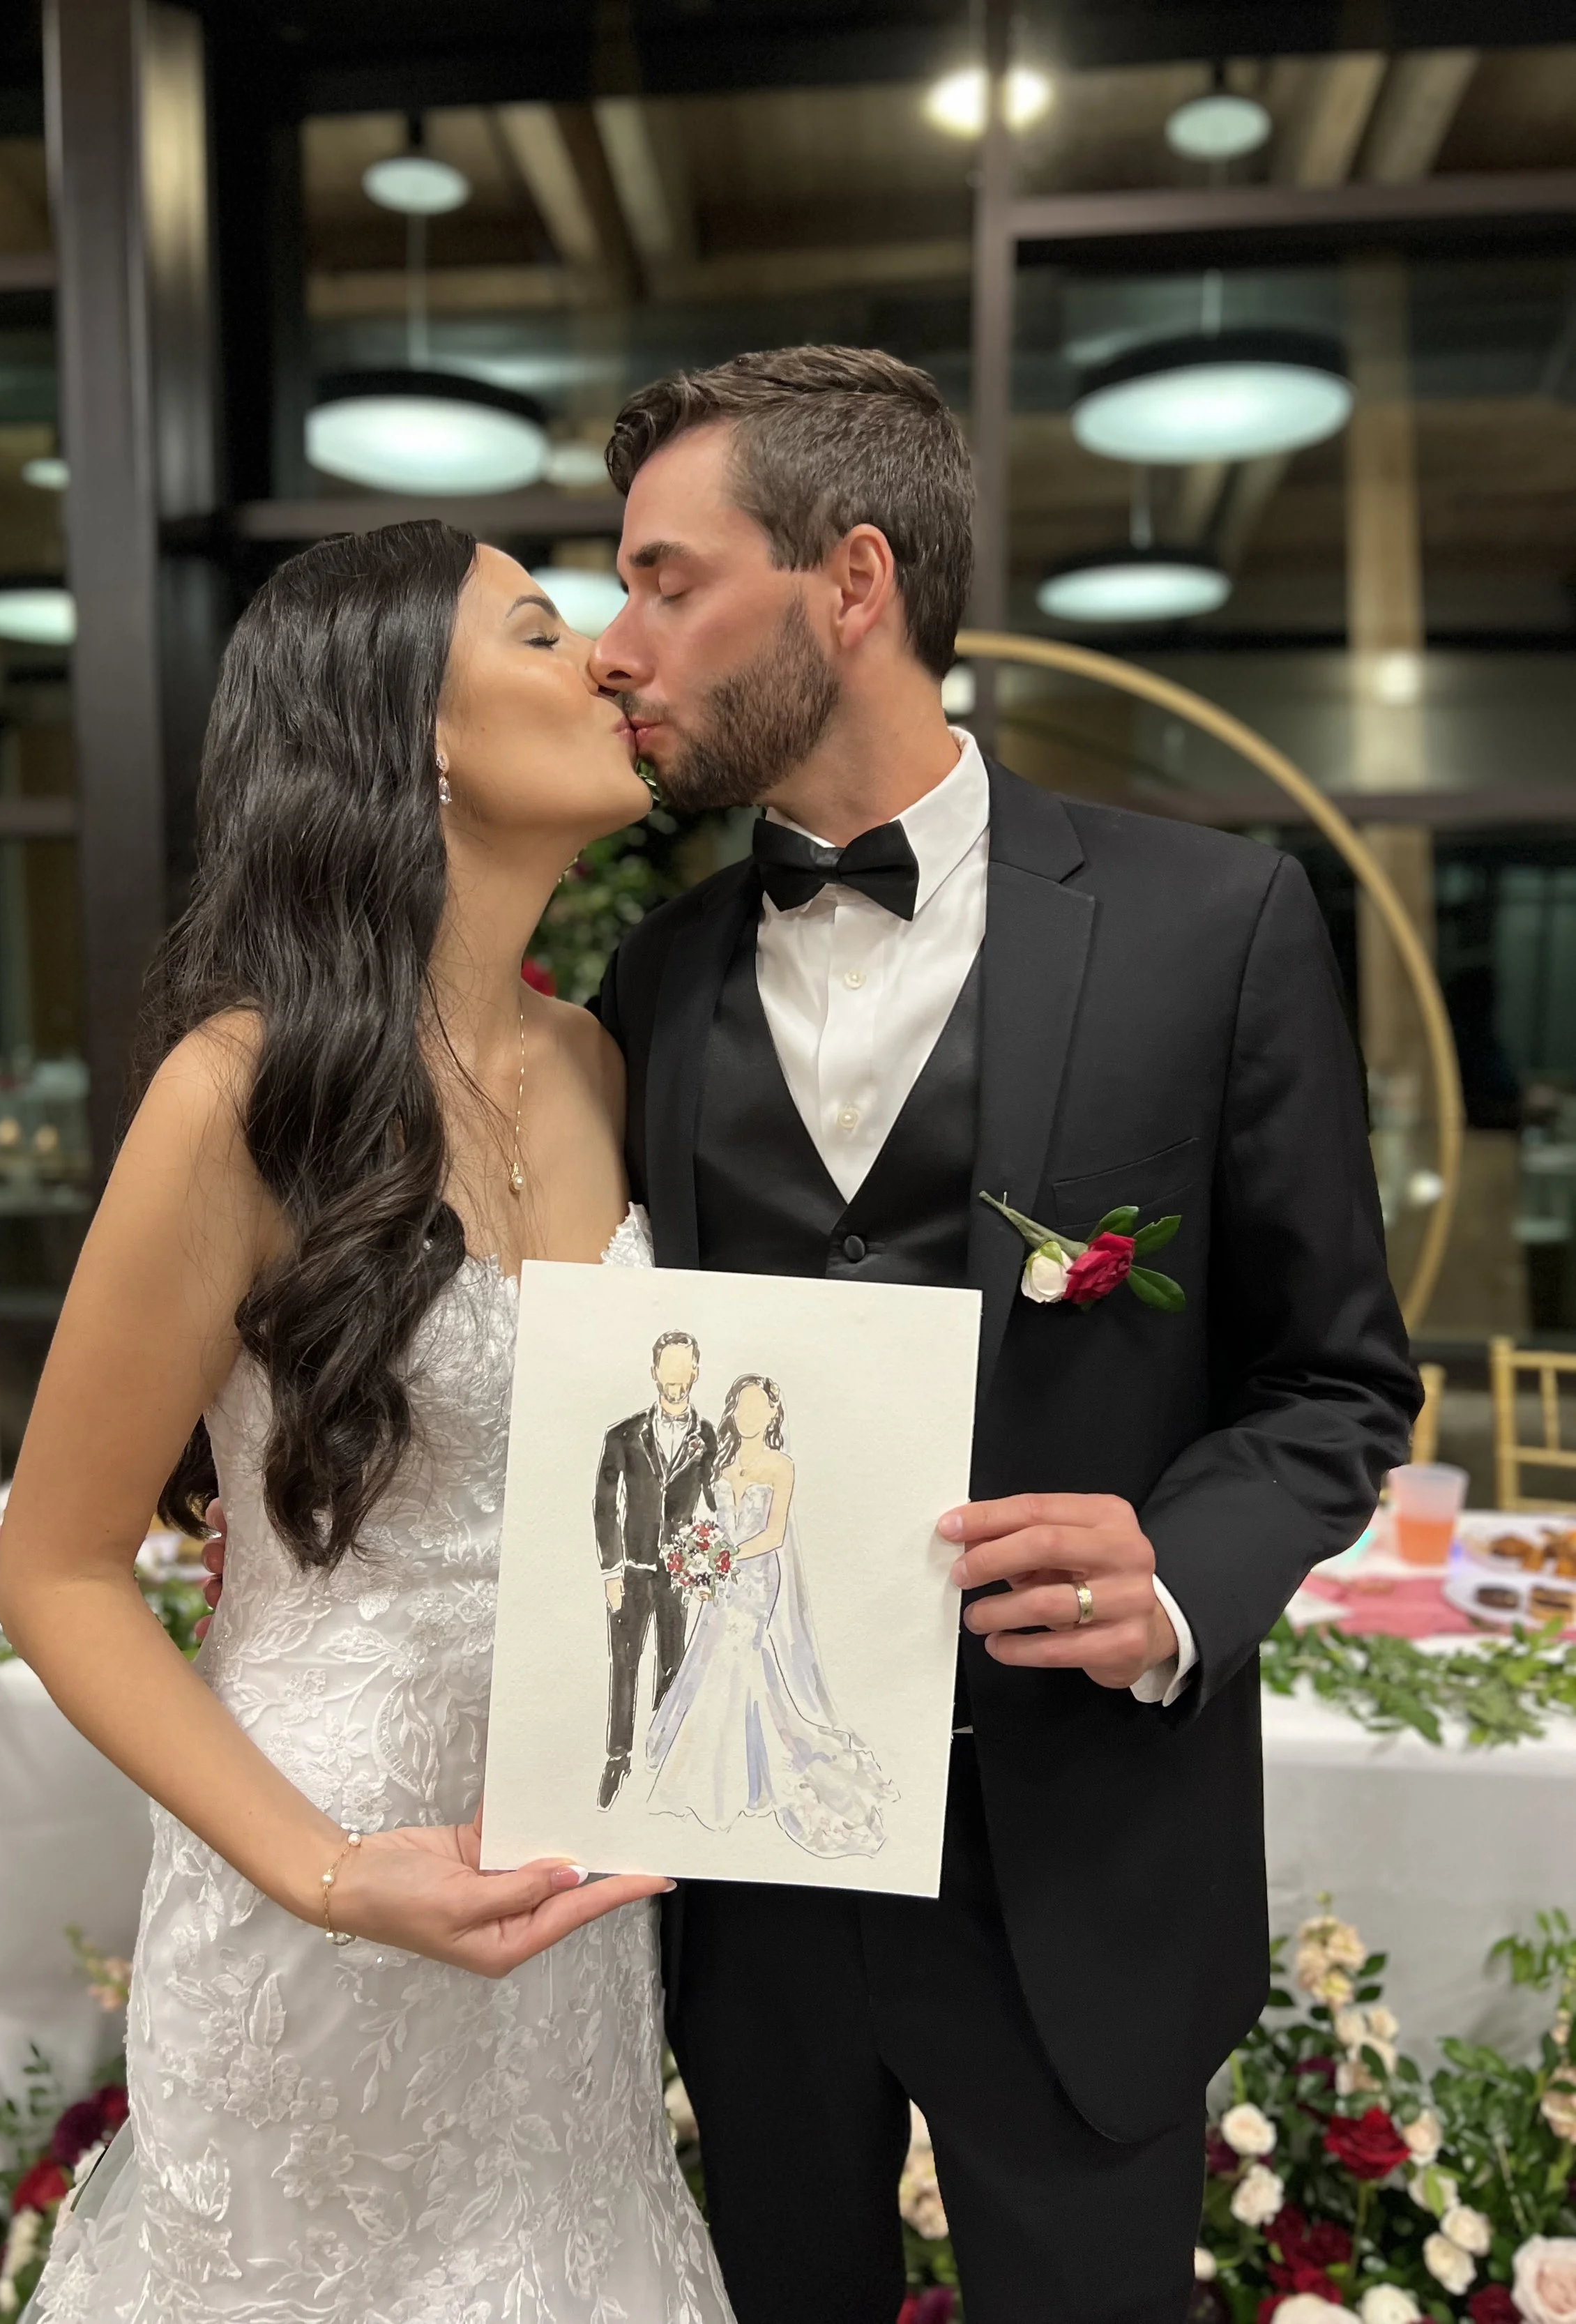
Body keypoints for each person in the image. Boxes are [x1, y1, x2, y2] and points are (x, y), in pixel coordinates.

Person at [582, 345, 1421, 2324]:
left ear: (847, 583)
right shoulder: (653, 970)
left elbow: (1335, 1376)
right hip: (754, 1886)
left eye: (663, 579)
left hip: (1083, 1873)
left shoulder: (1211, 923)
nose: (620, 646)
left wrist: (1180, 1570)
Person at [0, 522, 732, 2323]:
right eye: (550, 632)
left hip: (563, 1899)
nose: (615, 664)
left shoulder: (593, 1065)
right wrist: (322, 1871)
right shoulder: (240, 1091)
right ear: (416, 728)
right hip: (317, 1878)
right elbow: (58, 1564)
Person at [645, 1372, 895, 1855]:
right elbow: (711, 1522)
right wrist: (701, 1560)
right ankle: (725, 1771)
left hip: (756, 1580)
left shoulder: (781, 1466)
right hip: (721, 1580)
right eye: (741, 1406)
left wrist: (724, 1556)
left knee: (740, 1658)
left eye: (759, 1407)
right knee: (714, 1660)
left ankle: (749, 1776)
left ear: (774, 1413)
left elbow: (775, 1534)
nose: (749, 1415)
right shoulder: (720, 1460)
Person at [593, 1330, 716, 1807]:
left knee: (674, 1663)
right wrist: (610, 1571)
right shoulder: (622, 1435)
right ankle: (617, 1758)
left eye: (684, 1368)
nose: (676, 1379)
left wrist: (706, 1568)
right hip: (631, 1571)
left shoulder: (706, 1437)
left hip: (680, 1574)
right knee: (623, 1664)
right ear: (654, 1372)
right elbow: (605, 1505)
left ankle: (661, 1755)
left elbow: (714, 1503)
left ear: (695, 1373)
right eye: (668, 1368)